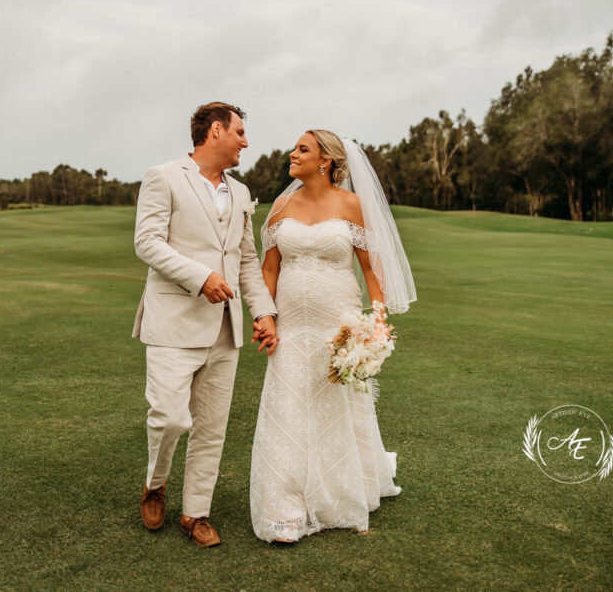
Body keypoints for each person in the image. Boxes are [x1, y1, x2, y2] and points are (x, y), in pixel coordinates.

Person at [249, 129, 416, 543]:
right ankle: (284, 508)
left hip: (338, 324)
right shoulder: (281, 205)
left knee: (335, 402)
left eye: (302, 149)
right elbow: (269, 268)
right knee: (288, 405)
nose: (293, 153)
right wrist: (265, 317)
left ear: (325, 160)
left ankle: (339, 493)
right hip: (290, 323)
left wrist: (376, 325)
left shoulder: (351, 204)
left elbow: (372, 270)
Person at [133, 102, 278, 547]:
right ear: (215, 131)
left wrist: (264, 312)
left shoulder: (240, 192)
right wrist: (201, 278)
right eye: (239, 133)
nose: (245, 142)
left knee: (212, 427)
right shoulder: (163, 177)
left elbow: (247, 260)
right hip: (173, 323)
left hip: (225, 329)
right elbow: (147, 243)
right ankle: (155, 484)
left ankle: (196, 513)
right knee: (170, 418)